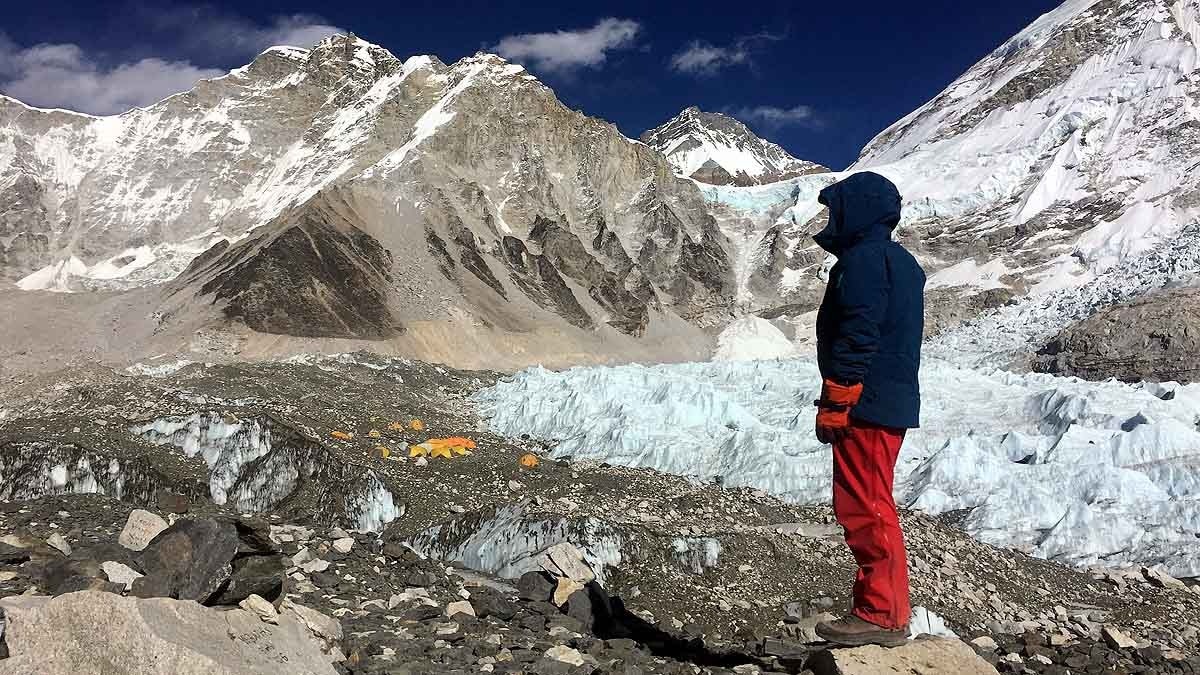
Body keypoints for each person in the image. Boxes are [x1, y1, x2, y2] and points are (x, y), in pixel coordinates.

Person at [809, 171, 925, 648]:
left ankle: (881, 614)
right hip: (886, 402)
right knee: (872, 503)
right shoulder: (901, 262)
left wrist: (838, 397)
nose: (831, 219)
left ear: (856, 211)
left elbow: (860, 332)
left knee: (866, 507)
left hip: (866, 405)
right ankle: (883, 610)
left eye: (837, 210)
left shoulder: (862, 262)